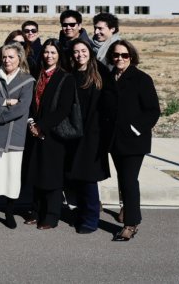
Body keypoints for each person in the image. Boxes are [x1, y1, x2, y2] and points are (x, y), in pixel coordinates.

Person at [107, 40, 160, 242]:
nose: (119, 59)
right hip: (114, 140)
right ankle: (125, 209)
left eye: (124, 55)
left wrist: (134, 129)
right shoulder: (110, 77)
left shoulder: (141, 79)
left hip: (133, 141)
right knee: (122, 178)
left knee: (129, 181)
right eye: (116, 55)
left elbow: (153, 111)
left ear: (131, 57)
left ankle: (131, 223)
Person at [0, 42, 35, 229]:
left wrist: (0, 114)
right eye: (4, 56)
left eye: (11, 56)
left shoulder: (27, 80)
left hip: (14, 134)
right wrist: (5, 101)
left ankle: (9, 213)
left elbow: (23, 107)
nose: (7, 60)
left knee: (12, 176)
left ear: (19, 58)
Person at [25, 40, 76, 229]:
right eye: (46, 52)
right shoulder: (36, 75)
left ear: (59, 55)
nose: (49, 56)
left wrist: (42, 127)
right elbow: (30, 103)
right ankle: (36, 211)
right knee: (37, 174)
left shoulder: (65, 78)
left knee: (52, 177)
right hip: (35, 131)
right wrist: (31, 123)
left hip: (53, 134)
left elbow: (63, 109)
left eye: (53, 52)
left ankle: (51, 215)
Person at [65, 39, 111, 235]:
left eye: (83, 51)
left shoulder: (100, 73)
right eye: (76, 52)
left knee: (89, 177)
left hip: (93, 134)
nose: (80, 55)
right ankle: (81, 212)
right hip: (74, 132)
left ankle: (91, 218)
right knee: (74, 176)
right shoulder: (71, 75)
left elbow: (108, 105)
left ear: (90, 52)